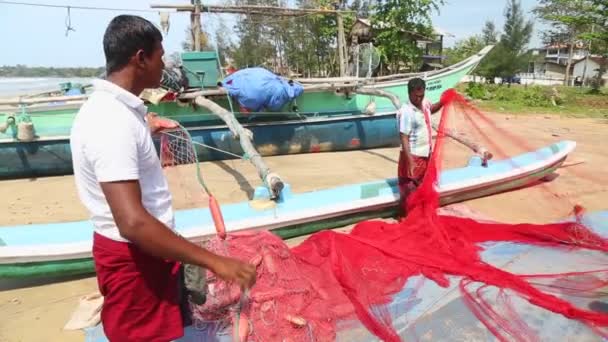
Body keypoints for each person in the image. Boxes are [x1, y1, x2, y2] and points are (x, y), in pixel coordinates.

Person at [70, 15, 256, 342]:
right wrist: (215, 262)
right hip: (134, 259)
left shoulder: (119, 111)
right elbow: (133, 222)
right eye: (160, 55)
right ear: (140, 58)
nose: (164, 64)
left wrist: (147, 128)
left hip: (148, 252)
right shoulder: (111, 122)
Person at [397, 78, 445, 214]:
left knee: (423, 186)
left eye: (421, 95)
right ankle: (408, 216)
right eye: (416, 96)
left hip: (425, 152)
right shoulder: (406, 111)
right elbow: (404, 137)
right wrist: (410, 161)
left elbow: (431, 109)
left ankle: (419, 214)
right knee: (410, 189)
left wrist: (443, 102)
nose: (419, 99)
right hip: (413, 154)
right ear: (409, 94)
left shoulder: (424, 103)